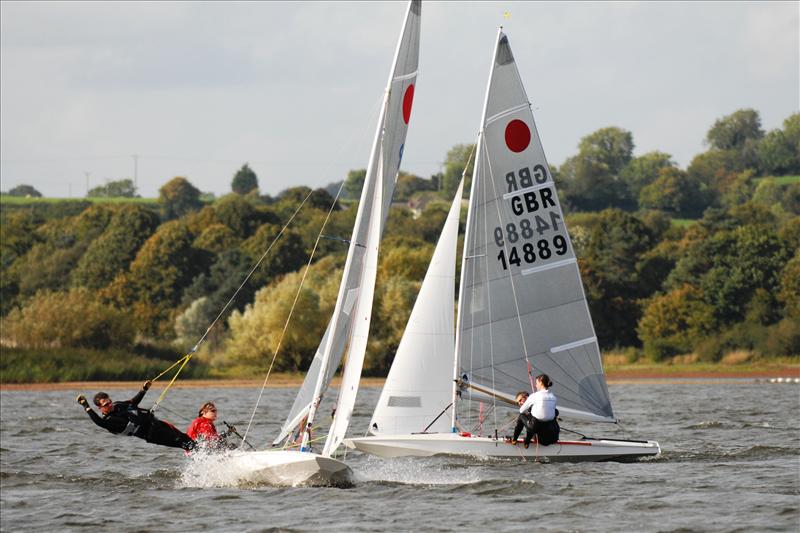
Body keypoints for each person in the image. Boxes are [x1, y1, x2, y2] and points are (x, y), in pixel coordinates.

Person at [76, 381, 195, 451]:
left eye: (110, 401)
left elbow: (133, 402)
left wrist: (144, 390)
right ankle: (204, 457)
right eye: (106, 404)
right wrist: (86, 406)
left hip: (156, 423)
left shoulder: (118, 405)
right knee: (182, 442)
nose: (110, 404)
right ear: (100, 408)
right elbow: (98, 422)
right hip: (152, 434)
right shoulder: (109, 421)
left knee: (185, 438)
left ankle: (207, 451)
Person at [511, 374, 560, 448]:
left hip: (537, 427)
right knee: (533, 418)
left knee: (522, 416)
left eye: (536, 383)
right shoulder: (553, 396)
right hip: (550, 430)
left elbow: (521, 410)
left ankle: (514, 440)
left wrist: (531, 408)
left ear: (540, 382)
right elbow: (552, 412)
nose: (535, 385)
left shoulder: (534, 396)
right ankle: (527, 442)